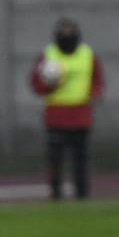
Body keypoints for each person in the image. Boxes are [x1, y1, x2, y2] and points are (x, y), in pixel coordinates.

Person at [29, 17, 104, 200]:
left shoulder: (87, 54)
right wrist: (51, 84)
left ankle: (82, 193)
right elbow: (36, 84)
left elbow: (98, 81)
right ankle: (55, 193)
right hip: (56, 114)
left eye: (70, 33)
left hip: (80, 114)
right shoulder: (48, 55)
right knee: (55, 159)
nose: (67, 36)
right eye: (63, 33)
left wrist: (93, 94)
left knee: (81, 158)